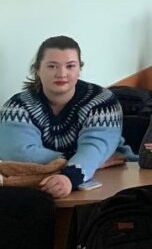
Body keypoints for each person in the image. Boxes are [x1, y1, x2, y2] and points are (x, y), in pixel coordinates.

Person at [0, 36, 134, 198]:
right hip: (51, 183)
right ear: (37, 69)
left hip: (116, 175)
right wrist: (89, 162)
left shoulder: (103, 101)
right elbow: (18, 154)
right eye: (52, 66)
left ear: (79, 69)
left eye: (70, 66)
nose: (62, 74)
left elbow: (94, 149)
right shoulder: (17, 106)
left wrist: (72, 174)